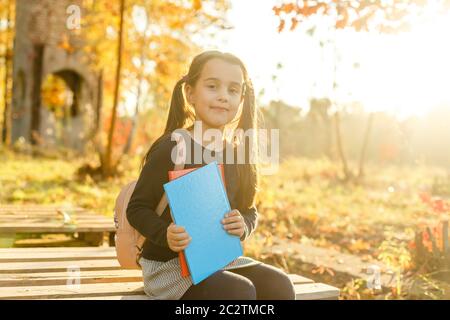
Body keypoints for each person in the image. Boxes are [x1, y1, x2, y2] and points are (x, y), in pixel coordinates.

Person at [126, 50, 295, 300]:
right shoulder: (172, 148)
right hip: (168, 266)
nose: (223, 97)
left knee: (279, 285)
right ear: (191, 93)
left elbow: (250, 210)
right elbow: (137, 209)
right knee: (238, 292)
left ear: (241, 99)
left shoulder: (238, 154)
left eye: (233, 90)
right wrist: (166, 234)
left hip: (218, 260)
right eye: (212, 86)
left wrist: (244, 225)